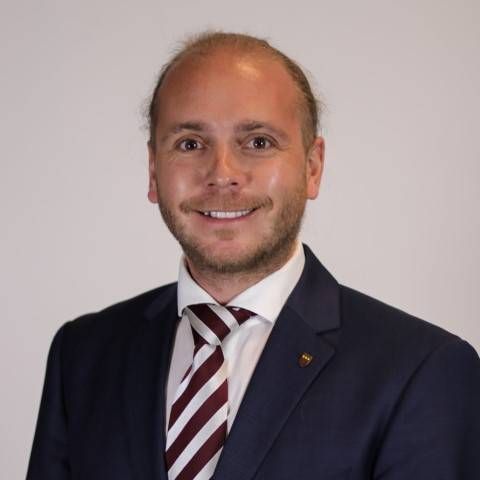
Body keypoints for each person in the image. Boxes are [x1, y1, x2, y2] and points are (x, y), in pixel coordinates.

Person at [27, 31, 480, 480]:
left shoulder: (421, 371)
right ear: (153, 170)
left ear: (312, 167)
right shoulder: (82, 355)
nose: (222, 174)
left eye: (258, 142)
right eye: (190, 143)